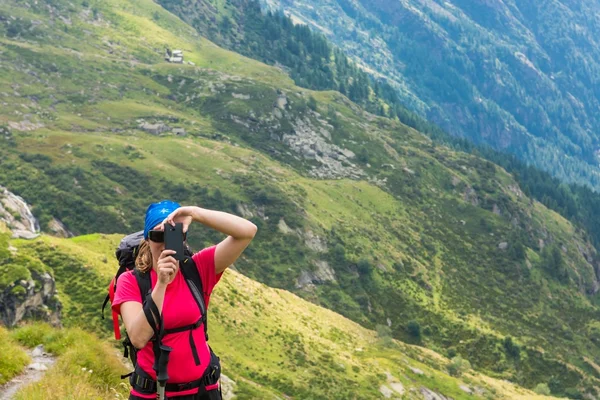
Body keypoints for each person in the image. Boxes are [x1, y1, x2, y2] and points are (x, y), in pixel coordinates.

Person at [112, 200, 257, 400]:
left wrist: (194, 213)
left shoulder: (198, 268)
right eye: (157, 235)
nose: (164, 242)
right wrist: (161, 284)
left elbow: (247, 232)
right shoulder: (130, 281)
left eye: (173, 233)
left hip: (203, 391)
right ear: (147, 239)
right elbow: (138, 338)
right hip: (153, 394)